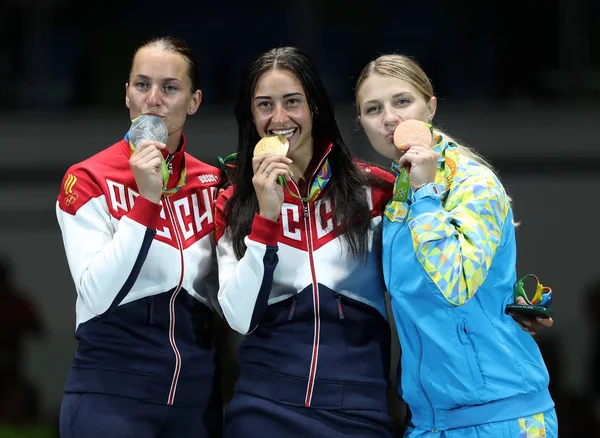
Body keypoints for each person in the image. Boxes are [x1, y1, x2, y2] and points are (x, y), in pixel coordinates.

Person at [354, 54, 557, 437]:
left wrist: (426, 194)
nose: (389, 119)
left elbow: (455, 282)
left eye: (402, 101)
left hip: (503, 416)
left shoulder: (472, 183)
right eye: (372, 109)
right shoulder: (398, 197)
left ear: (430, 107)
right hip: (430, 420)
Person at [214, 46, 398, 437]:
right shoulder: (233, 203)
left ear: (314, 105)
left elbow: (428, 280)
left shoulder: (377, 191)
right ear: (251, 115)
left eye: (292, 102)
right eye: (265, 104)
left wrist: (503, 310)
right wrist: (265, 216)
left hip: (359, 412)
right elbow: (240, 317)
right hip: (263, 410)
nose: (279, 118)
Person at [56, 36, 222, 438]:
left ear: (194, 101)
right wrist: (146, 199)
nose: (153, 99)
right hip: (111, 397)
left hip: (195, 402)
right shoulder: (89, 178)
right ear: (127, 96)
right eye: (142, 85)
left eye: (170, 87)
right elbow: (95, 293)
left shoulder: (213, 183)